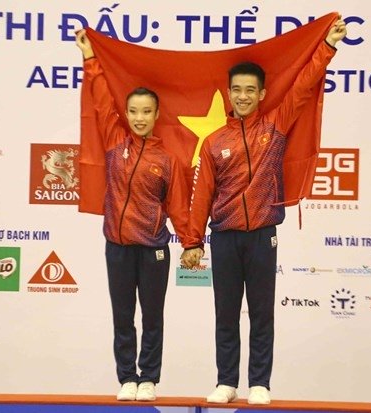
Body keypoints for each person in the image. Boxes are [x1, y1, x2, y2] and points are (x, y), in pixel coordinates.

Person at [180, 16, 347, 405]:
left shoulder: (275, 126)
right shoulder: (213, 142)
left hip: (262, 235)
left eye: (249, 91)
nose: (242, 96)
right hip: (223, 237)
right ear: (229, 92)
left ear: (261, 93)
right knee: (226, 313)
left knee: (261, 313)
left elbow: (304, 87)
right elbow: (201, 195)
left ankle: (260, 383)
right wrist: (193, 240)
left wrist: (328, 46)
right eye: (236, 90)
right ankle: (226, 381)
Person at [75, 29, 191, 402]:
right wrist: (90, 58)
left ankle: (149, 379)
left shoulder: (168, 161)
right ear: (127, 114)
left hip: (154, 249)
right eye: (134, 112)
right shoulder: (113, 143)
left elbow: (178, 208)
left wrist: (192, 243)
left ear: (157, 115)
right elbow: (101, 100)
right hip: (118, 246)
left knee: (152, 318)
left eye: (146, 112)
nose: (139, 118)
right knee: (123, 317)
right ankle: (127, 376)